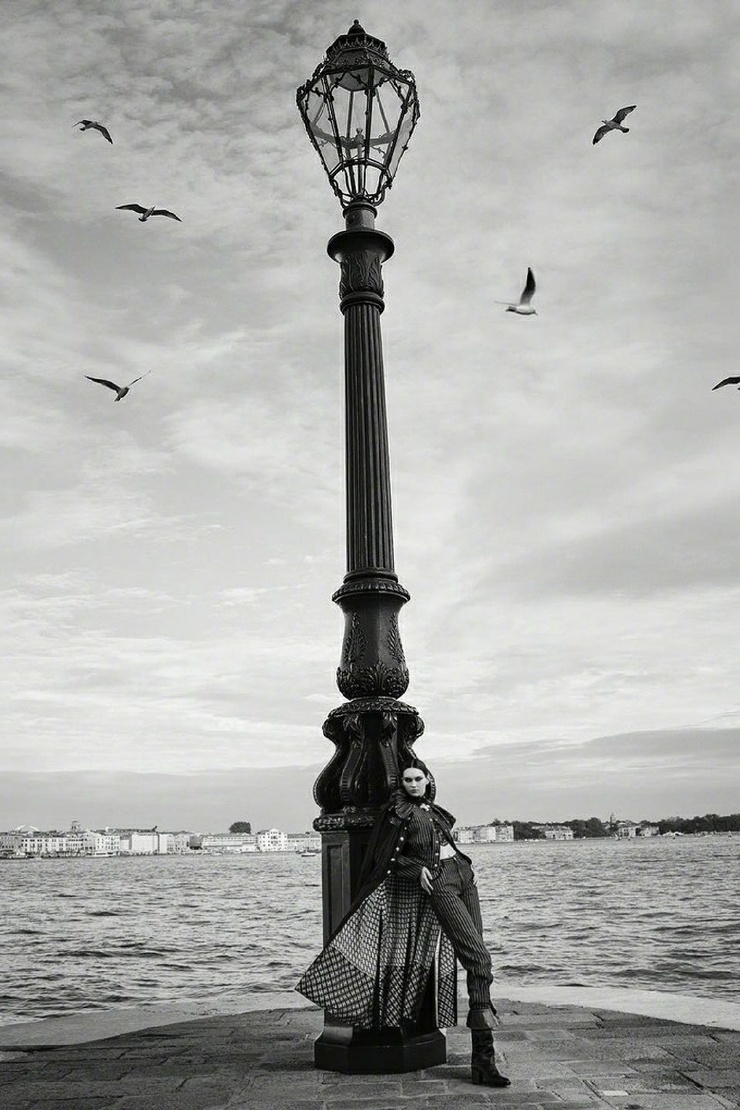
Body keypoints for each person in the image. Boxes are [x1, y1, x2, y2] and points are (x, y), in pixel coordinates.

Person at [296, 758, 510, 1088]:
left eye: (418, 779)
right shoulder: (399, 813)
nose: (412, 784)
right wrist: (415, 870)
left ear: (427, 781)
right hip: (439, 883)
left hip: (464, 878)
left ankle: (483, 1060)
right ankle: (483, 1059)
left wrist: (466, 866)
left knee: (479, 956)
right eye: (407, 780)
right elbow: (386, 857)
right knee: (478, 959)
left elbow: (446, 845)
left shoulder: (433, 810)